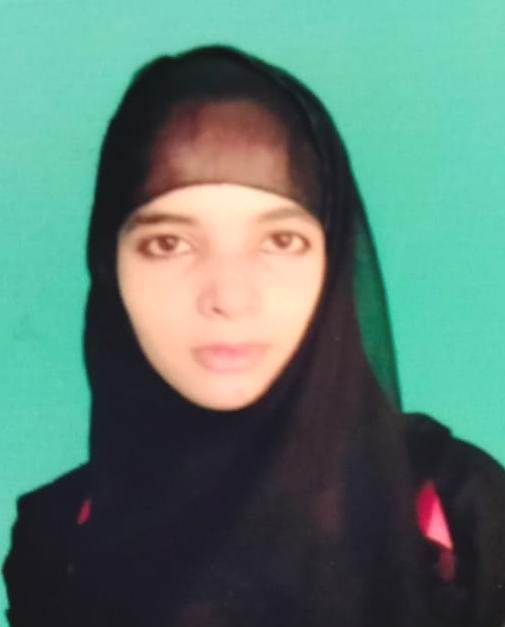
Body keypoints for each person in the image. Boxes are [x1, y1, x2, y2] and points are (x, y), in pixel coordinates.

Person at [3, 45, 505, 627]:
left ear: (334, 263)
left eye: (280, 241)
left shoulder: (458, 516)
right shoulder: (60, 541)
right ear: (109, 268)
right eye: (168, 243)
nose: (229, 297)